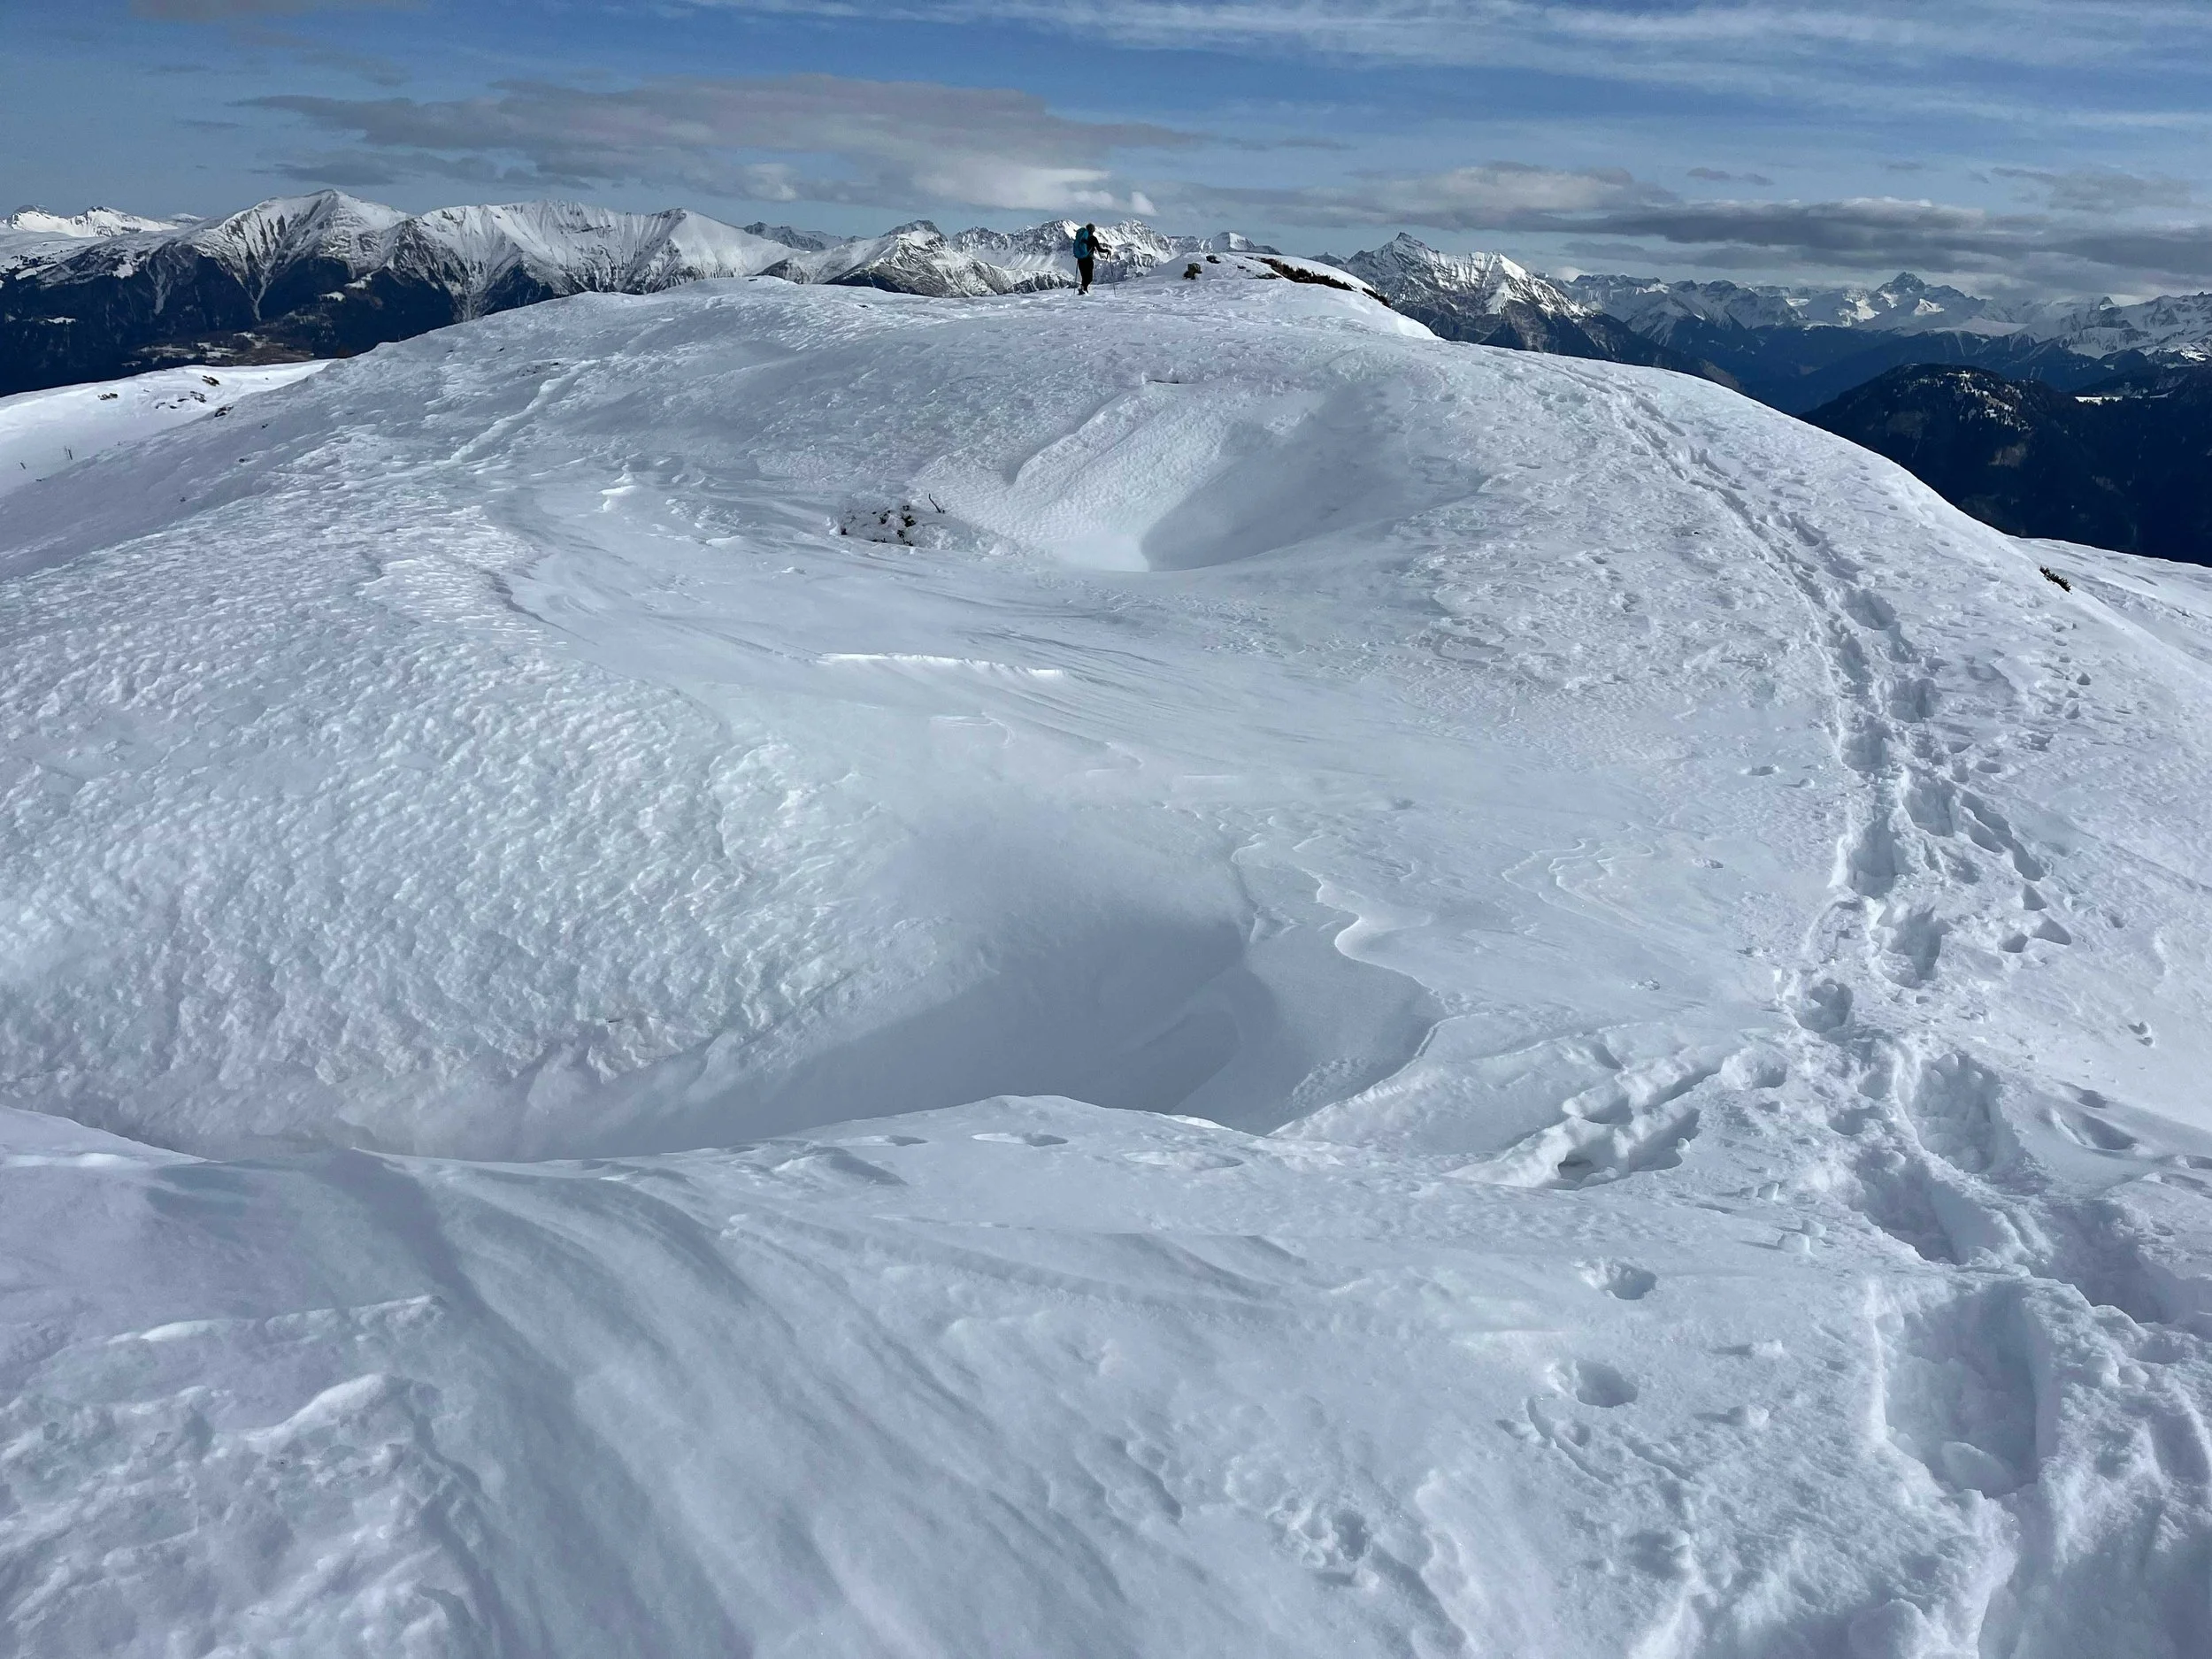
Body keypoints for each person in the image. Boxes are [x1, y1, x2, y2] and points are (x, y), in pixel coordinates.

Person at [1072, 222, 1110, 295]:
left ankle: (1083, 291)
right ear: (1092, 230)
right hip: (1088, 259)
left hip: (1080, 259)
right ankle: (1083, 289)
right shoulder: (1093, 238)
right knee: (1089, 278)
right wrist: (1107, 251)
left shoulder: (1081, 238)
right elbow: (1099, 249)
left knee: (1084, 277)